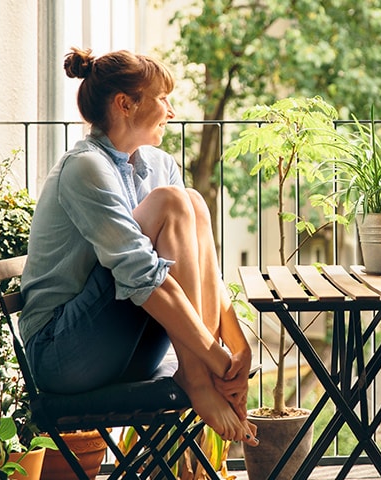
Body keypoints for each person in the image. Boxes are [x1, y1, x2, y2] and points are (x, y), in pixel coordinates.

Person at [19, 47, 258, 445]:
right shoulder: (85, 167)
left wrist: (237, 348)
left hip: (125, 347)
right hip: (64, 354)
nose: (171, 110)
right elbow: (144, 278)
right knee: (172, 203)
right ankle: (196, 379)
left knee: (192, 202)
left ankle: (199, 374)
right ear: (125, 104)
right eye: (163, 98)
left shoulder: (159, 165)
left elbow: (199, 270)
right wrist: (216, 365)